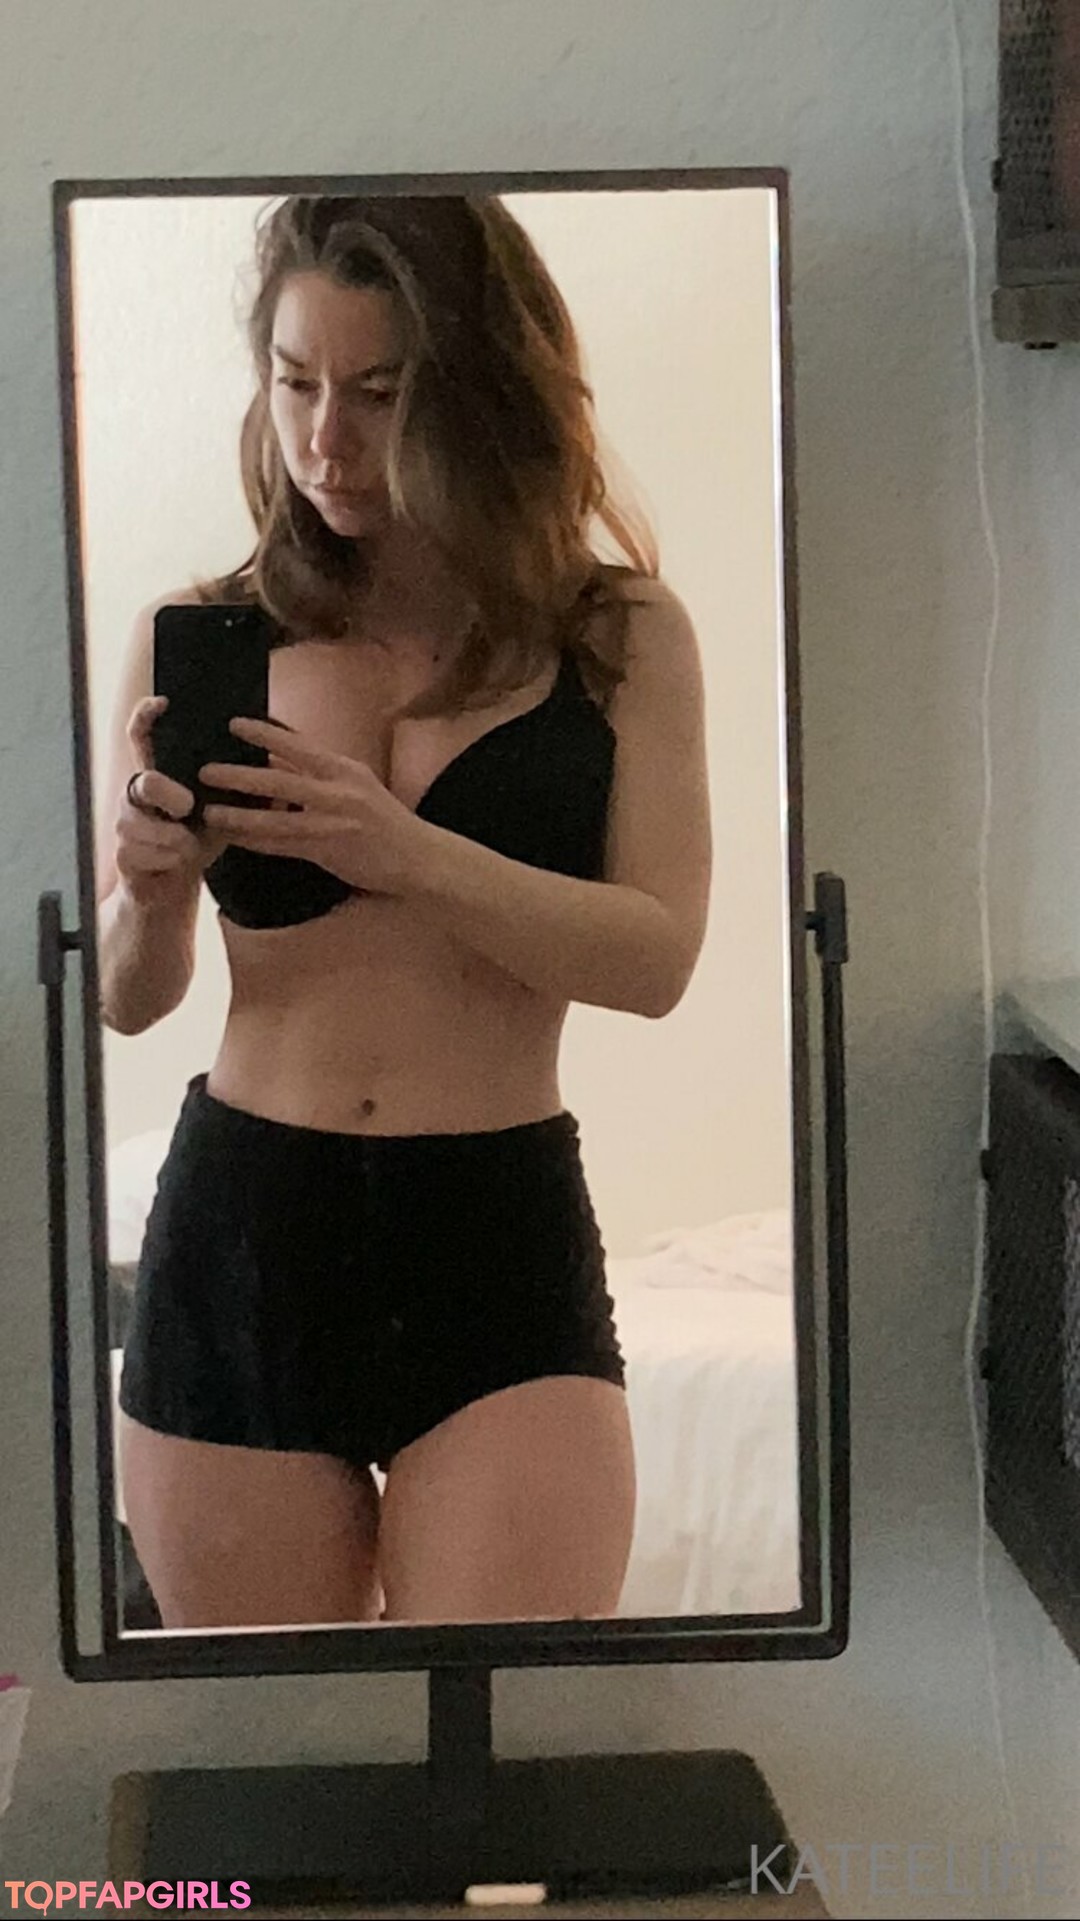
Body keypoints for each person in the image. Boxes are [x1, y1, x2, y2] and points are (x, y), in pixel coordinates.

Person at [95, 193, 712, 1631]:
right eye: (294, 381)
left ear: (481, 390)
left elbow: (656, 957)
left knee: (502, 1733)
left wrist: (408, 853)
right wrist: (154, 891)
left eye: (378, 393)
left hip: (495, 1226)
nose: (326, 440)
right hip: (246, 1225)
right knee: (282, 1751)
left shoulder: (616, 636)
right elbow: (128, 994)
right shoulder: (202, 635)